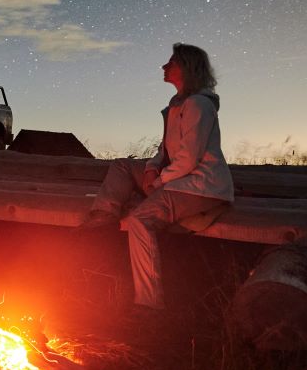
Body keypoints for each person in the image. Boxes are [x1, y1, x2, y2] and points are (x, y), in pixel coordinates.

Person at [86, 43, 234, 313]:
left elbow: (189, 158)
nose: (164, 67)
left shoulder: (198, 105)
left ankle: (149, 303)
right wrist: (152, 169)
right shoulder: (177, 106)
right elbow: (164, 150)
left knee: (139, 221)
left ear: (187, 68)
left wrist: (158, 182)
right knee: (122, 166)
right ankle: (103, 216)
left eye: (171, 63)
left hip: (200, 187)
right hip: (178, 178)